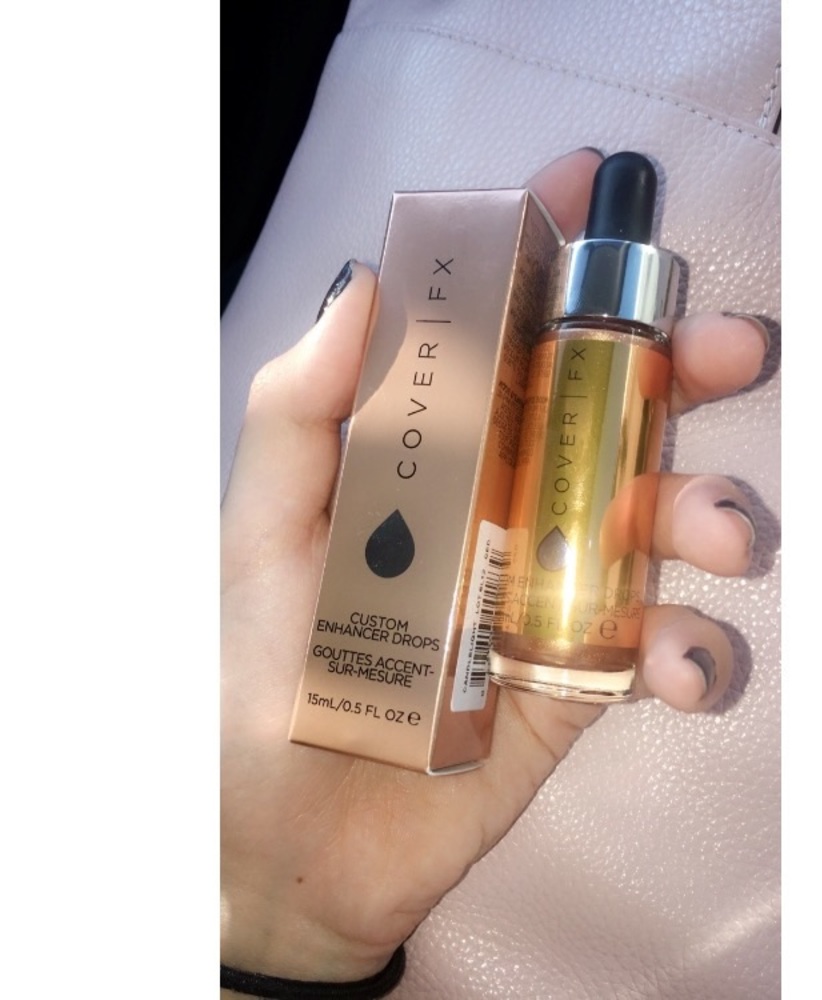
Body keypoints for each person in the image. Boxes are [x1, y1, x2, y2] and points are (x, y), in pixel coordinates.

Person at [221, 148, 770, 997]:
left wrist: (274, 937)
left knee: (587, 478)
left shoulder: (605, 348)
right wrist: (259, 911)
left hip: (499, 653)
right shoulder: (556, 339)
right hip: (370, 696)